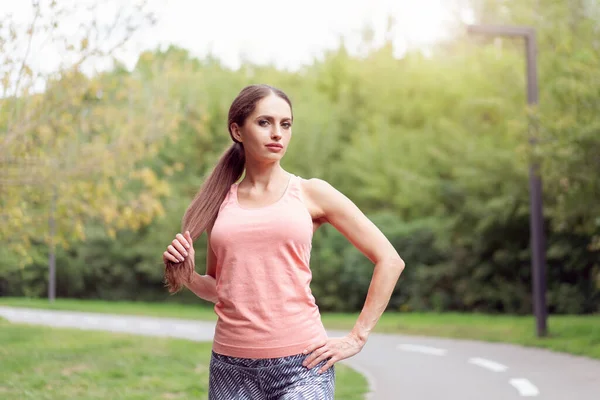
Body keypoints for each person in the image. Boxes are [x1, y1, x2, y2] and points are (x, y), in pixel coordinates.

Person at [162, 84, 405, 399]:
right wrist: (188, 275)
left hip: (303, 365)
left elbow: (390, 260)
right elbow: (221, 287)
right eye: (264, 122)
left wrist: (357, 337)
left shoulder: (311, 192)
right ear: (237, 130)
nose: (277, 133)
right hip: (230, 369)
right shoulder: (219, 203)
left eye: (285, 124)